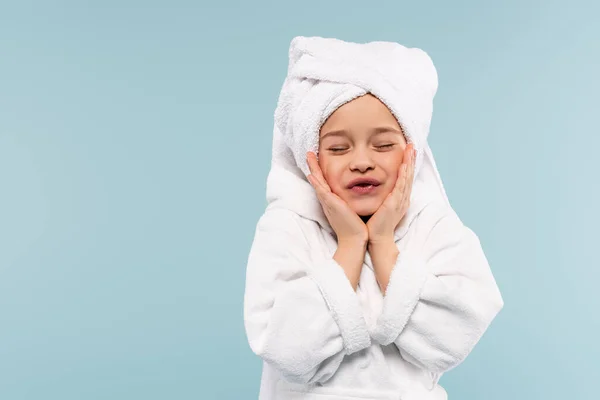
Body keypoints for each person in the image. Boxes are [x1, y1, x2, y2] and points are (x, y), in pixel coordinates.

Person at [243, 36, 504, 400]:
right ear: (309, 159)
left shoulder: (435, 226)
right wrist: (350, 244)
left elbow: (454, 334)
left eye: (382, 145)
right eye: (337, 148)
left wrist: (382, 244)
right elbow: (285, 349)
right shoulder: (286, 228)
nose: (362, 161)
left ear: (411, 152)